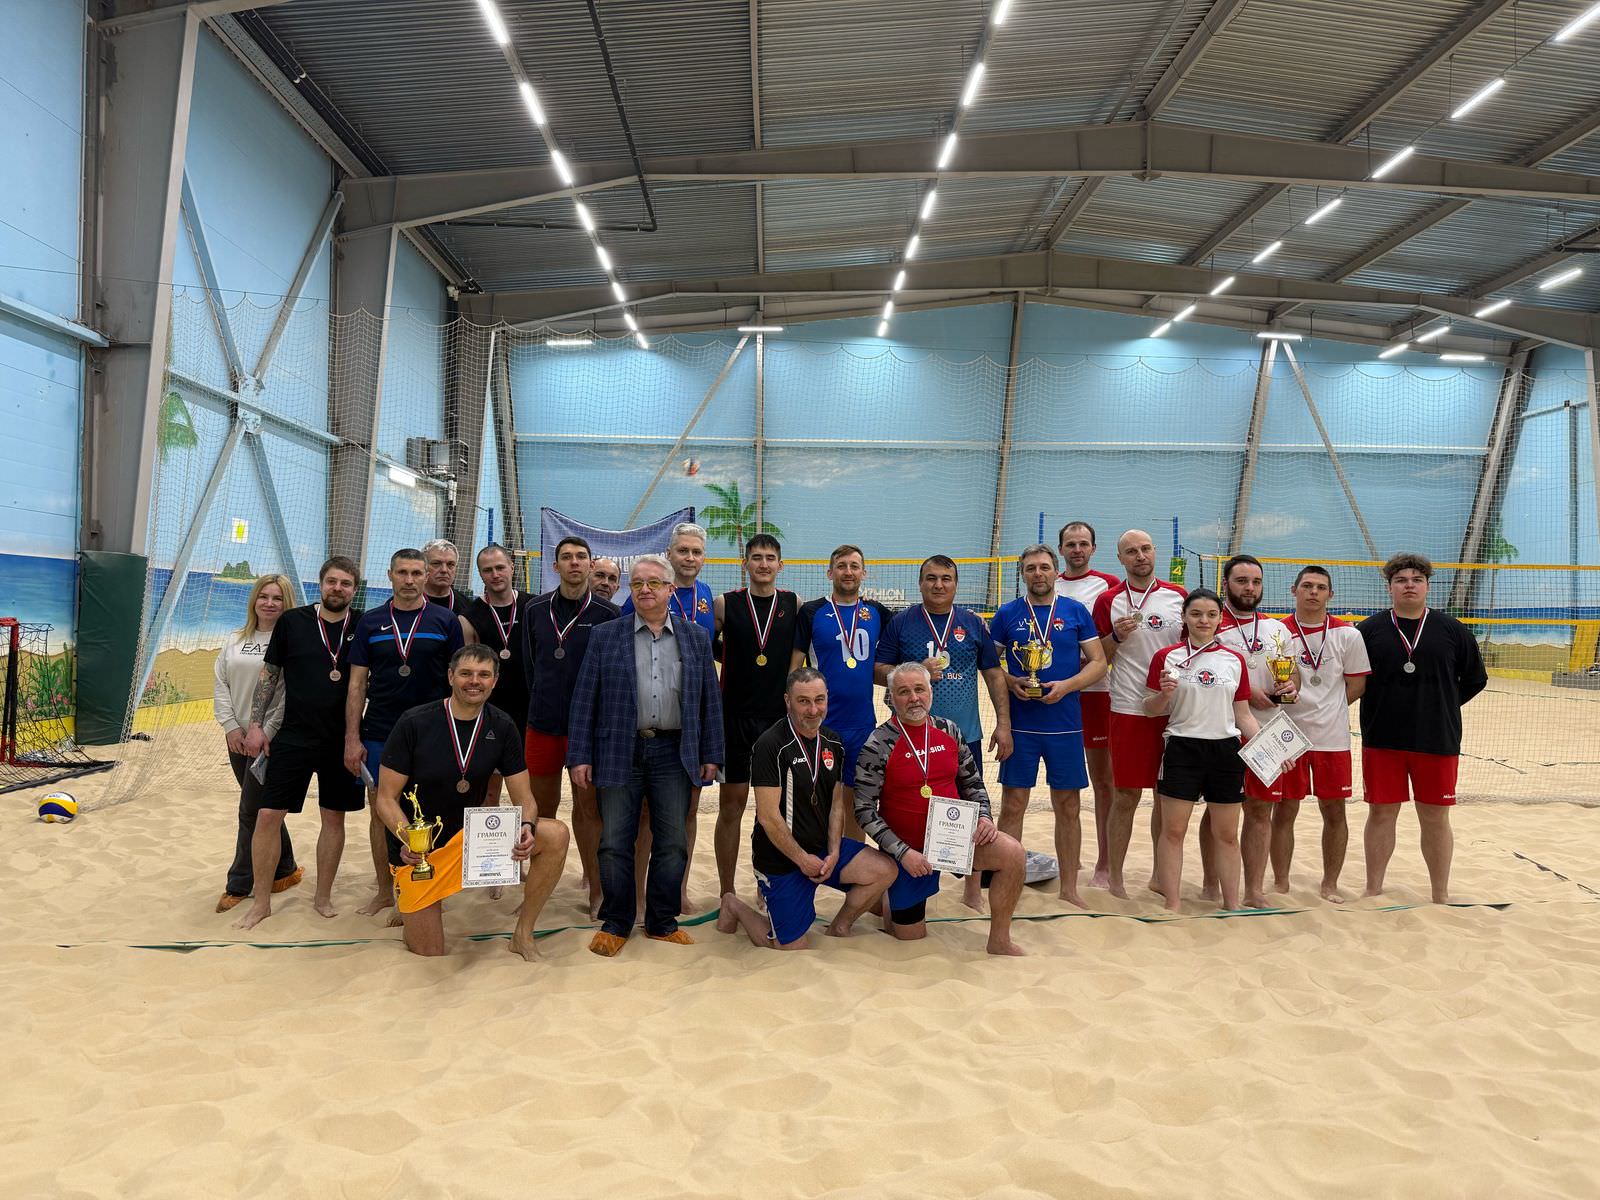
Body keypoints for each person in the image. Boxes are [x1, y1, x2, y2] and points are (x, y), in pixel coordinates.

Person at [568, 554, 724, 956]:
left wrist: (712, 753)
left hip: (674, 751)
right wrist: (579, 755)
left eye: (654, 583)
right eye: (637, 583)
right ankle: (617, 922)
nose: (645, 590)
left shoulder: (696, 637)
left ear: (671, 589)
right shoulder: (605, 636)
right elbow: (584, 699)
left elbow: (710, 701)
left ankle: (662, 922)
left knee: (672, 842)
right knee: (614, 841)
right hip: (618, 748)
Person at [373, 645, 570, 960]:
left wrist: (527, 826)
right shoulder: (414, 722)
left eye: (483, 675)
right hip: (420, 850)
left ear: (494, 681)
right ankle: (407, 897)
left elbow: (526, 800)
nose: (474, 681)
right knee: (430, 952)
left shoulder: (502, 726)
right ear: (451, 676)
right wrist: (408, 836)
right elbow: (385, 798)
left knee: (556, 833)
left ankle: (522, 934)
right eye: (466, 673)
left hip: (472, 839)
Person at [715, 668, 897, 949]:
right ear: (788, 700)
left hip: (822, 851)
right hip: (782, 858)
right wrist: (801, 859)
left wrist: (834, 851)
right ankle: (734, 905)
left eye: (819, 700)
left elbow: (836, 805)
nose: (813, 710)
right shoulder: (770, 745)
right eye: (804, 701)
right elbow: (768, 816)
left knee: (885, 870)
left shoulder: (833, 742)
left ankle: (840, 926)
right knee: (790, 947)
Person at [854, 663, 1027, 956]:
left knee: (1013, 854)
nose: (913, 698)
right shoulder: (878, 743)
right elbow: (864, 809)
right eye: (904, 692)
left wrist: (984, 817)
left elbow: (973, 784)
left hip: (955, 838)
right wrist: (902, 853)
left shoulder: (949, 730)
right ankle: (888, 896)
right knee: (910, 939)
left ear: (930, 692)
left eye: (919, 689)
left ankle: (1000, 940)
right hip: (909, 852)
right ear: (891, 698)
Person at [876, 554, 1012, 909]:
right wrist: (914, 669)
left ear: (956, 584)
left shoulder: (972, 623)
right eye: (931, 578)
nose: (938, 585)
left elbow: (993, 674)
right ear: (920, 583)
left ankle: (972, 891)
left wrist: (1004, 723)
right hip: (910, 735)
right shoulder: (901, 622)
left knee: (971, 809)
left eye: (946, 578)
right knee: (904, 807)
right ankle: (898, 883)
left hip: (963, 735)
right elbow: (878, 670)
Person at [236, 557, 365, 929]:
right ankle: (262, 902)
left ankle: (322, 896)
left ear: (355, 589)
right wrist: (256, 725)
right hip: (293, 736)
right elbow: (269, 674)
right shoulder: (292, 622)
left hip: (342, 739)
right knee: (267, 816)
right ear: (320, 584)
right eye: (331, 581)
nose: (337, 588)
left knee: (333, 817)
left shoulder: (364, 624)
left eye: (345, 583)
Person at [1357, 553, 1486, 904]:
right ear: (1390, 587)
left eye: (1416, 580)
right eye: (1401, 580)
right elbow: (1352, 679)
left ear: (1428, 586)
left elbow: (1476, 679)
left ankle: (1440, 894)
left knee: (1434, 817)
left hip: (1437, 739)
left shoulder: (1452, 629)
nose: (1409, 585)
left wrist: (1443, 705)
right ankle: (1373, 888)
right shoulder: (1368, 630)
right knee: (1381, 813)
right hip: (1382, 739)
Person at [344, 548, 465, 917]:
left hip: (433, 732)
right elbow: (356, 685)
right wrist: (352, 738)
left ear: (426, 576)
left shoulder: (445, 621)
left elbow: (459, 681)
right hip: (380, 729)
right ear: (390, 575)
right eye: (402, 573)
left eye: (416, 573)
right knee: (381, 812)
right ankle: (385, 890)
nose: (409, 580)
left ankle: (426, 888)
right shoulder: (371, 622)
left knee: (430, 810)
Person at [990, 545, 1107, 908]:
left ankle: (1069, 888)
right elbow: (990, 666)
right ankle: (1007, 882)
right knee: (1013, 805)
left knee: (1068, 806)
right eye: (1030, 568)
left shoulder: (1075, 611)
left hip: (1065, 725)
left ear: (1056, 572)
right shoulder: (1007, 613)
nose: (1038, 573)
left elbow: (1099, 662)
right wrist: (1012, 681)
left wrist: (1067, 686)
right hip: (1021, 726)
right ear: (1022, 573)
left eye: (1044, 567)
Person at [1143, 589, 1262, 913]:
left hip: (1225, 751)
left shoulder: (1233, 660)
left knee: (1227, 834)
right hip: (1182, 747)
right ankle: (1173, 902)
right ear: (1184, 617)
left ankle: (1231, 904)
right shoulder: (1167, 656)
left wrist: (1270, 750)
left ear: (1220, 618)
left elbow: (1243, 715)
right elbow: (1149, 709)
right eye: (1196, 614)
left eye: (1211, 614)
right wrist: (1163, 695)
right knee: (1173, 831)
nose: (1203, 620)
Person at [522, 535, 619, 917]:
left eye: (581, 557)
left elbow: (612, 675)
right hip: (544, 725)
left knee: (589, 810)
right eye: (566, 557)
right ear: (555, 565)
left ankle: (596, 890)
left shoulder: (609, 614)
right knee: (541, 811)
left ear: (591, 565)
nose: (574, 562)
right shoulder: (534, 609)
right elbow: (531, 668)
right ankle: (537, 891)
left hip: (588, 731)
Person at [621, 522, 716, 908]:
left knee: (688, 811)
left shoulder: (707, 596)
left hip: (687, 724)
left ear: (703, 558)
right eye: (682, 551)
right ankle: (639, 893)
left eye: (696, 551)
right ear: (669, 554)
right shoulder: (645, 593)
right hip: (648, 723)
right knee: (645, 813)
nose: (689, 558)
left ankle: (679, 888)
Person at [1092, 529, 1186, 899]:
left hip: (1174, 709)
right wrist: (1115, 637)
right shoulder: (1108, 601)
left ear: (1155, 552)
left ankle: (1160, 875)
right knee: (1126, 795)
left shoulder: (1178, 596)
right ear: (1120, 559)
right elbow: (1096, 658)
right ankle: (1115, 879)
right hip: (1128, 708)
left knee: (1166, 795)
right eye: (1131, 551)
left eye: (1146, 548)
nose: (1140, 556)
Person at [712, 534, 800, 898]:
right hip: (734, 718)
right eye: (757, 557)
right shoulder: (725, 603)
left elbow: (802, 650)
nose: (763, 564)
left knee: (773, 811)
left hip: (777, 721)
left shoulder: (794, 603)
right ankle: (727, 892)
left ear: (780, 564)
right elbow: (706, 644)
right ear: (745, 563)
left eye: (770, 557)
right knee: (731, 807)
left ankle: (769, 888)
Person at [1277, 565, 1370, 901]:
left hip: (1332, 738)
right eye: (1307, 586)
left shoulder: (1348, 635)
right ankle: (1281, 882)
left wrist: (1330, 709)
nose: (1313, 592)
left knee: (1334, 811)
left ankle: (1330, 883)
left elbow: (1357, 684)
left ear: (1330, 594)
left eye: (1320, 587)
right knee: (1284, 811)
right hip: (1288, 737)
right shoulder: (1278, 632)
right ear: (1294, 591)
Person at [1214, 553, 1298, 908]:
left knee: (1261, 810)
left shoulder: (1277, 630)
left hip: (1267, 731)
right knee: (1219, 811)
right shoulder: (1210, 622)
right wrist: (1247, 693)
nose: (1249, 588)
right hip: (1220, 731)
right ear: (1225, 584)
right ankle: (1211, 885)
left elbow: (1291, 676)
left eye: (1256, 582)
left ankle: (1254, 890)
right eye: (1242, 581)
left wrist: (1290, 687)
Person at [212, 573, 298, 913]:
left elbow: (289, 693)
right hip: (237, 737)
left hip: (270, 741)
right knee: (264, 807)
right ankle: (285, 869)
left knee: (250, 810)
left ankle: (239, 884)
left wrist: (265, 732)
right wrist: (231, 727)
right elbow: (220, 683)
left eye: (277, 598)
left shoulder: (292, 642)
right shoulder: (235, 639)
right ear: (254, 600)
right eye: (264, 596)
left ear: (287, 603)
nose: (269, 603)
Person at [794, 545, 892, 822]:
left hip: (862, 725)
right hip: (819, 724)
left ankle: (851, 852)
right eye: (841, 566)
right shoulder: (812, 611)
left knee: (856, 805)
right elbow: (794, 669)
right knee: (816, 803)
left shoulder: (876, 611)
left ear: (864, 573)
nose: (848, 572)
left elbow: (897, 649)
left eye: (854, 566)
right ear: (830, 573)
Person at [1054, 521, 1120, 888]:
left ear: (1093, 548)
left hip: (1098, 690)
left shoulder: (1108, 585)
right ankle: (1071, 856)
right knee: (1064, 781)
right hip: (1056, 693)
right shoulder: (1048, 583)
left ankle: (1105, 864)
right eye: (1071, 544)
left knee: (1103, 781)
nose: (1077, 550)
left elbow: (1111, 642)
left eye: (1083, 544)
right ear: (1061, 549)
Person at [465, 543, 529, 810]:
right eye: (487, 570)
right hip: (490, 711)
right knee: (488, 795)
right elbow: (468, 669)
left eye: (500, 567)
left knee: (528, 794)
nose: (495, 574)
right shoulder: (470, 615)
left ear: (512, 567)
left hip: (529, 711)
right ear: (480, 574)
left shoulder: (533, 605)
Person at [421, 537, 475, 631]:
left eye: (450, 564)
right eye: (436, 563)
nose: (444, 570)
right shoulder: (407, 603)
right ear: (423, 567)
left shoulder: (469, 607)